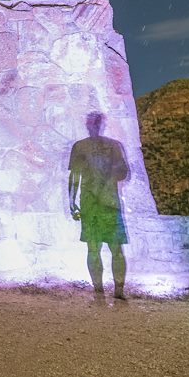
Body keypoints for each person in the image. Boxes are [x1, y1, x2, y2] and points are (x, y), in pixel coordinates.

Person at [68, 111, 129, 301]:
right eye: (90, 122)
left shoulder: (113, 146)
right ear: (87, 124)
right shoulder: (80, 147)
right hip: (90, 203)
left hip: (109, 203)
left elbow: (123, 172)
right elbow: (74, 176)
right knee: (93, 248)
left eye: (95, 122)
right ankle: (98, 289)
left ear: (101, 123)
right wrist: (71, 201)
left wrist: (108, 182)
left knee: (116, 248)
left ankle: (118, 289)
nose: (92, 125)